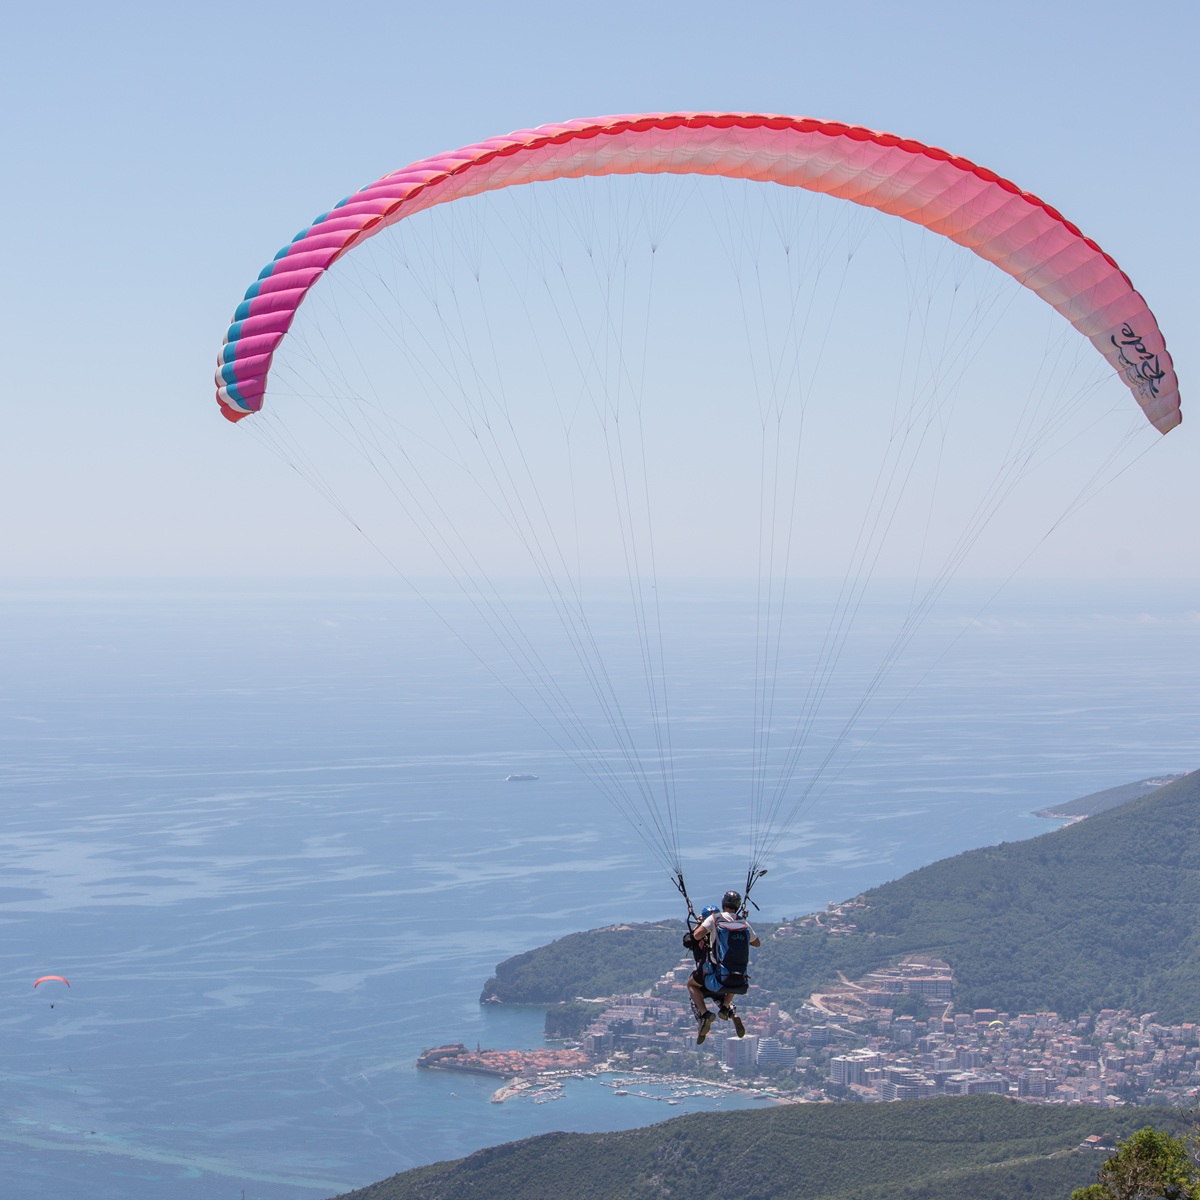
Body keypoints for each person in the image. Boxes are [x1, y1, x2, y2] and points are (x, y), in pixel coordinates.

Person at [687, 890, 759, 1044]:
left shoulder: (714, 921)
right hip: (734, 979)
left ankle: (704, 1017)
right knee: (729, 981)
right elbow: (757, 943)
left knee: (693, 986)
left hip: (711, 976)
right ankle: (728, 1010)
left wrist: (701, 924)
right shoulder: (742, 923)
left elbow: (694, 937)